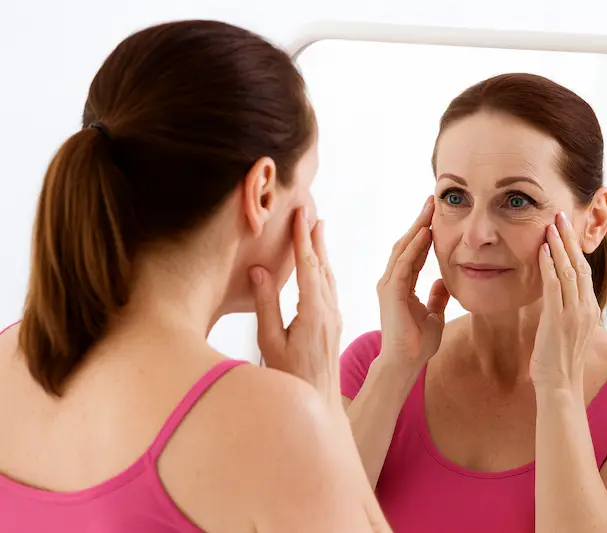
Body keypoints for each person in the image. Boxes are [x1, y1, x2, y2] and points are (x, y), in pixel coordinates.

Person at [0, 20, 392, 533]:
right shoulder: (273, 422)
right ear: (264, 192)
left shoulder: (10, 355)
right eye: (309, 182)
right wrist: (321, 402)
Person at [341, 73, 607, 533]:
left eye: (516, 200)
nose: (476, 235)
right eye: (454, 197)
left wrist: (558, 387)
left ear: (592, 220)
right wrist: (395, 370)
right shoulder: (372, 366)